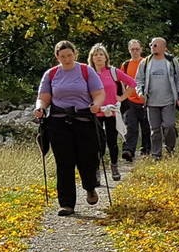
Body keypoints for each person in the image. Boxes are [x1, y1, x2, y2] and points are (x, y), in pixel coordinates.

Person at [34, 41, 106, 216]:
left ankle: (89, 187)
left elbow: (99, 94)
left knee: (87, 159)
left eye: (69, 55)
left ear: (75, 54)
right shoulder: (51, 74)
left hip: (84, 120)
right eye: (62, 56)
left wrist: (96, 105)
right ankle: (66, 204)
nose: (66, 59)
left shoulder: (85, 71)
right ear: (57, 57)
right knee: (64, 163)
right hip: (59, 122)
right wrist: (40, 108)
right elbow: (43, 98)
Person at [88, 44, 136, 181]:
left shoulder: (113, 71)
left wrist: (121, 97)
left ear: (106, 57)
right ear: (91, 58)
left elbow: (132, 83)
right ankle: (96, 170)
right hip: (95, 113)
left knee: (112, 142)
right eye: (95, 54)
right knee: (97, 144)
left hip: (111, 112)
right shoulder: (88, 73)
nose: (98, 57)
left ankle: (114, 166)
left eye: (101, 54)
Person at [135, 37, 179, 161]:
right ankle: (156, 155)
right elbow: (139, 80)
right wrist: (140, 92)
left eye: (156, 45)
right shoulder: (145, 62)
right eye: (151, 44)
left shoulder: (172, 61)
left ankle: (170, 148)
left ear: (164, 48)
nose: (153, 46)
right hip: (151, 102)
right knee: (155, 129)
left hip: (168, 101)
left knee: (169, 126)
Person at [119, 39, 151, 161]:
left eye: (137, 49)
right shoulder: (126, 65)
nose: (135, 51)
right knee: (130, 126)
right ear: (129, 50)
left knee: (146, 127)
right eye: (132, 49)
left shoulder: (146, 63)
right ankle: (128, 151)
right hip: (130, 101)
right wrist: (124, 95)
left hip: (145, 100)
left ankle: (146, 150)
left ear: (141, 49)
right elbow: (121, 80)